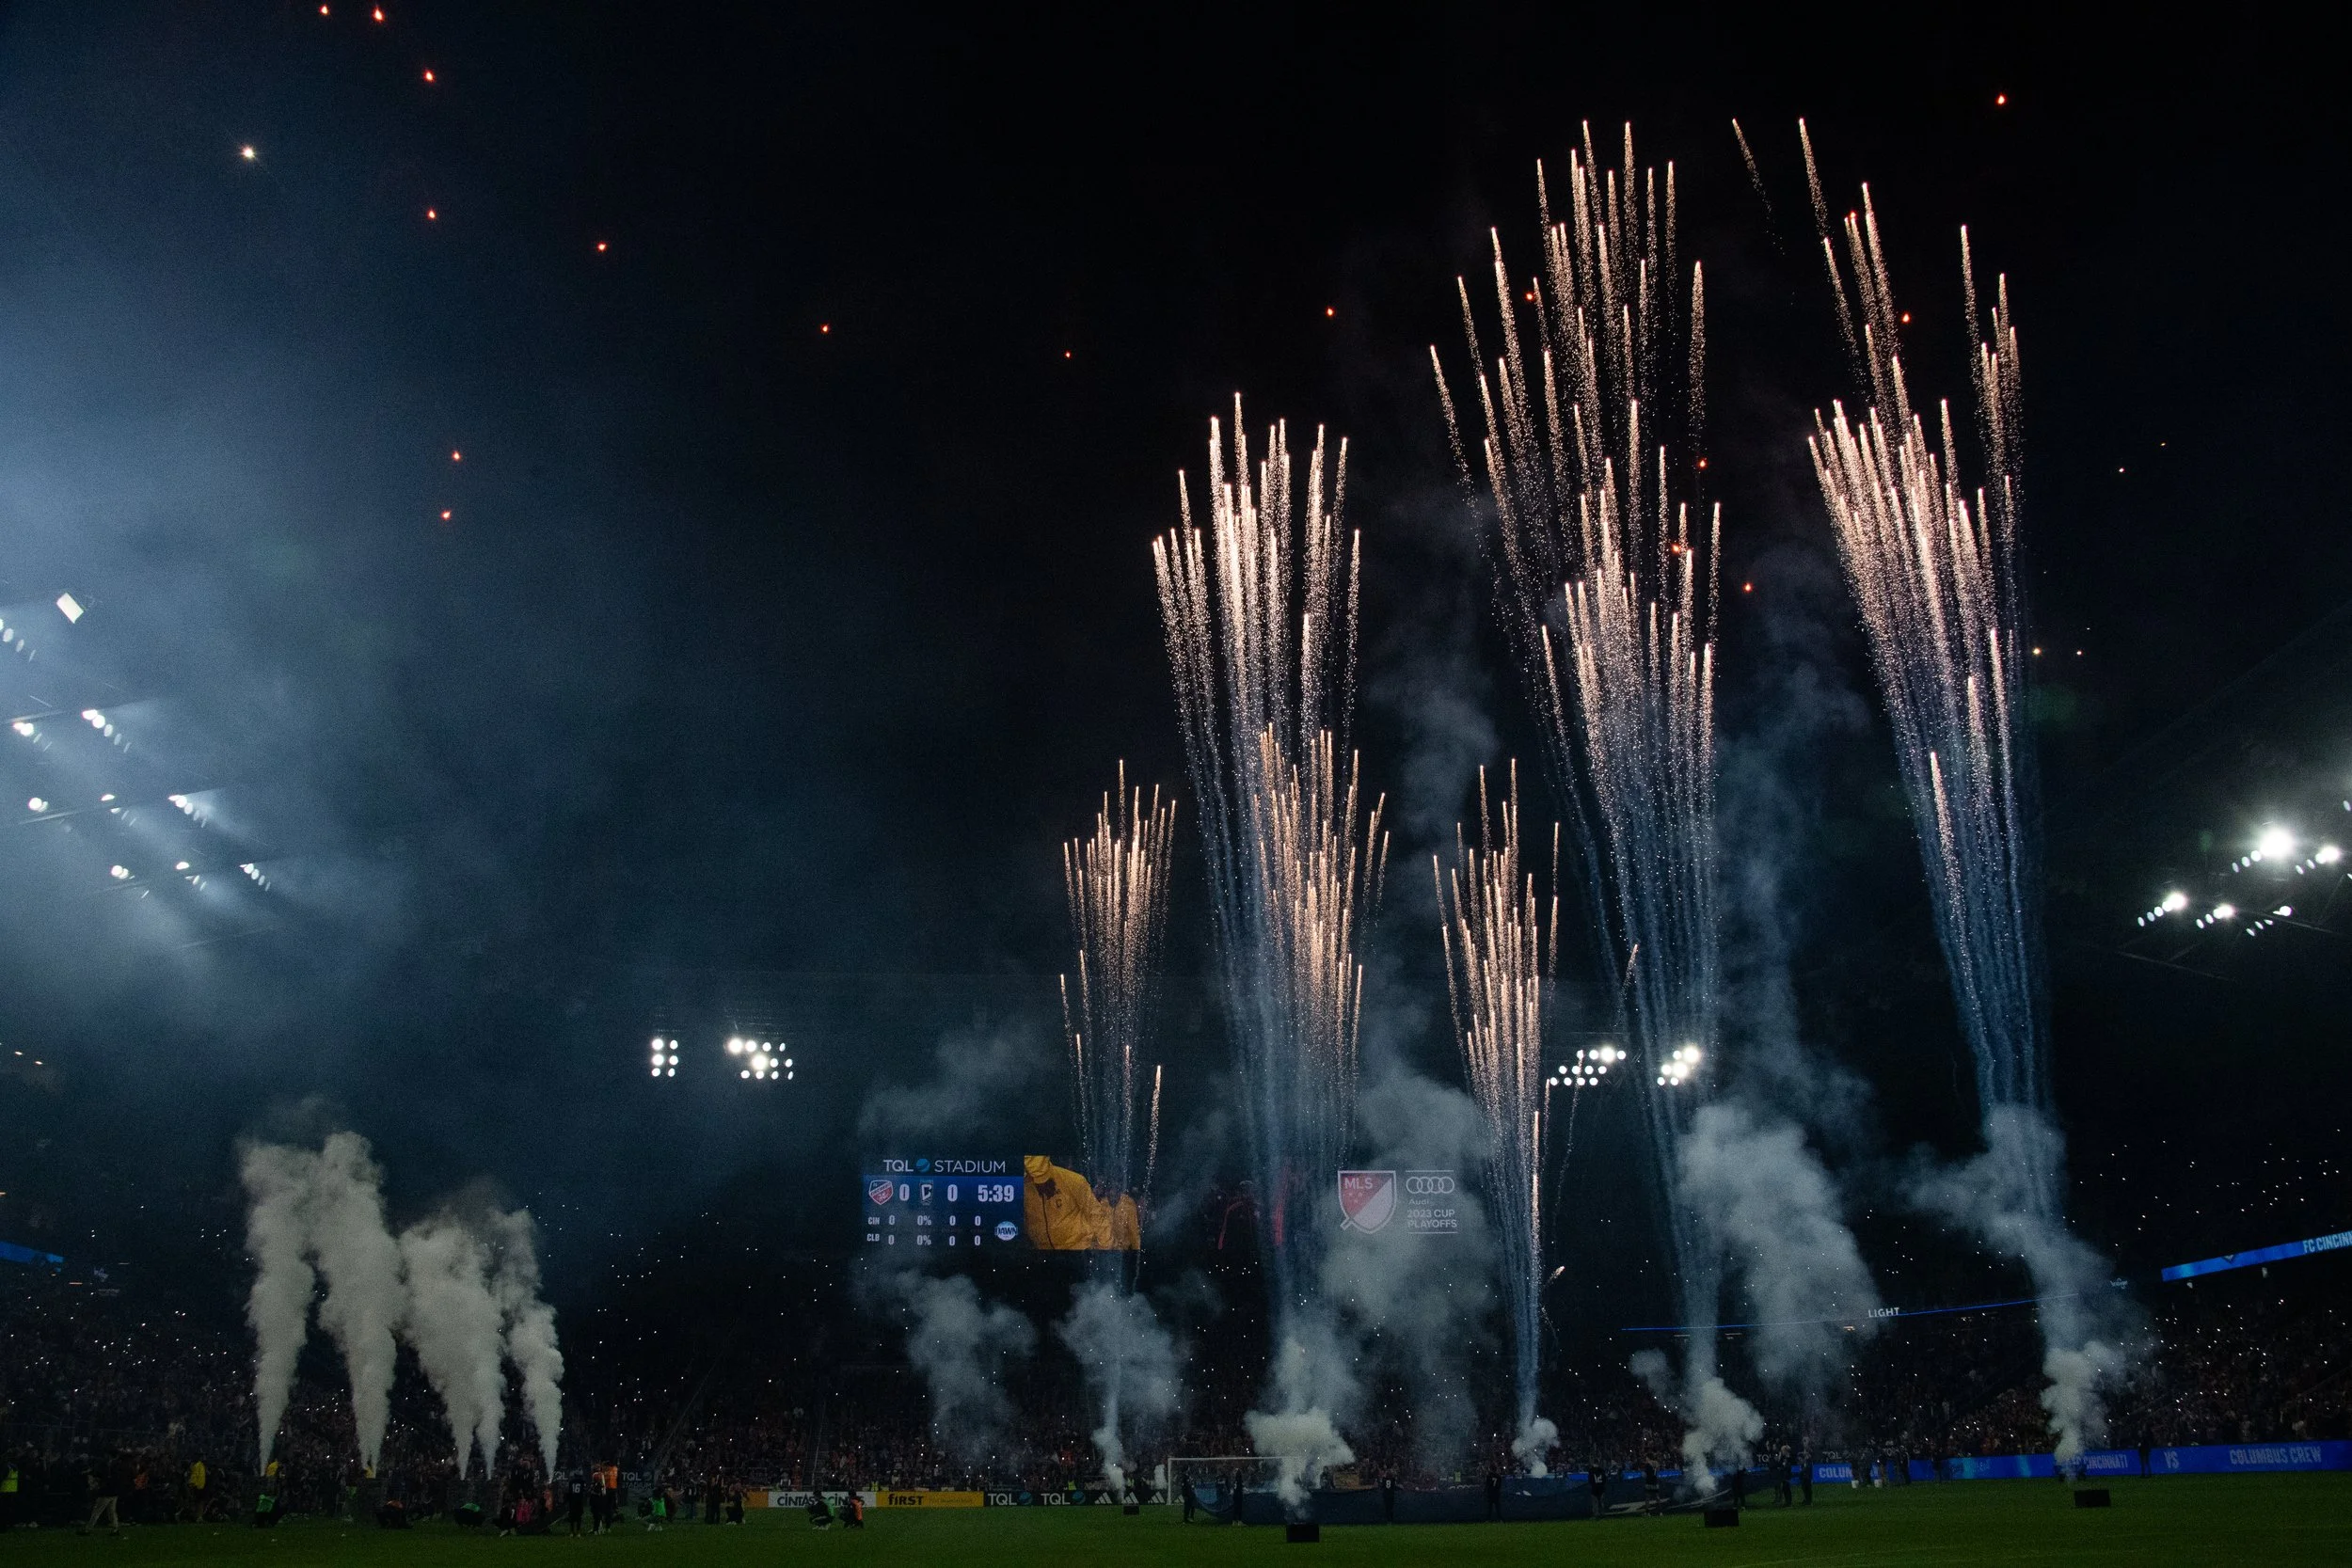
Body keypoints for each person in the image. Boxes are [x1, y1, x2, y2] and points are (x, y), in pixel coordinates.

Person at [84, 1452, 122, 1536]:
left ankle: (88, 1529)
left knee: (97, 1511)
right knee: (112, 1512)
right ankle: (115, 1529)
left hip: (106, 1492)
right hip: (114, 1492)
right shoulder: (116, 1465)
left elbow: (102, 1476)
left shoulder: (107, 1465)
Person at [566, 1470, 587, 1535]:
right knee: (579, 1517)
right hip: (579, 1500)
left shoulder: (571, 1482)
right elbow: (584, 1490)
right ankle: (578, 1532)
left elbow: (569, 1491)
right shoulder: (582, 1481)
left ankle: (571, 1532)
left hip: (572, 1500)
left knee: (572, 1518)